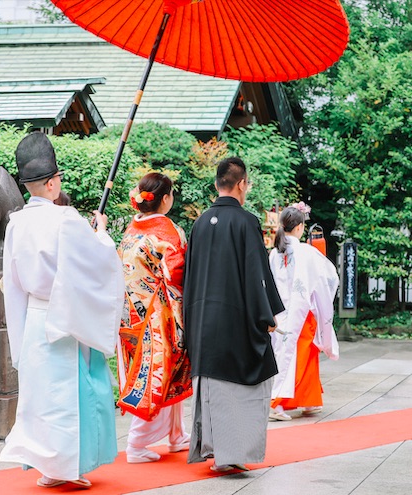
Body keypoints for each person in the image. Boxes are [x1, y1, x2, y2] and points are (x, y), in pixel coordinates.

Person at [0, 131, 124, 489]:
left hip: (36, 319)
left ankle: (49, 468)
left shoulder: (16, 223)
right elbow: (97, 263)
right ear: (53, 182)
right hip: (66, 319)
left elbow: (13, 284)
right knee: (69, 397)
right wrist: (101, 233)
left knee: (42, 397)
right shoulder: (67, 219)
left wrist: (17, 339)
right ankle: (65, 468)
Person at [183, 157, 284, 472]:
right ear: (242, 184)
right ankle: (230, 454)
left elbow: (191, 276)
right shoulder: (246, 222)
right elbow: (256, 274)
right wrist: (266, 315)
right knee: (238, 386)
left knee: (211, 384)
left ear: (217, 184)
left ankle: (213, 450)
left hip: (202, 320)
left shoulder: (199, 223)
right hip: (235, 319)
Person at [117, 172, 192, 464]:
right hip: (157, 315)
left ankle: (176, 434)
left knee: (165, 372)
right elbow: (176, 274)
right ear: (165, 199)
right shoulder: (166, 230)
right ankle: (136, 444)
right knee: (154, 376)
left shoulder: (131, 229)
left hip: (130, 312)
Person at [268, 203, 339, 421]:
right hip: (301, 312)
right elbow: (330, 277)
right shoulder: (306, 252)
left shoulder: (273, 253)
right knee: (301, 356)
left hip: (278, 314)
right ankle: (276, 402)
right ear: (299, 227)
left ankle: (308, 400)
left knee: (286, 355)